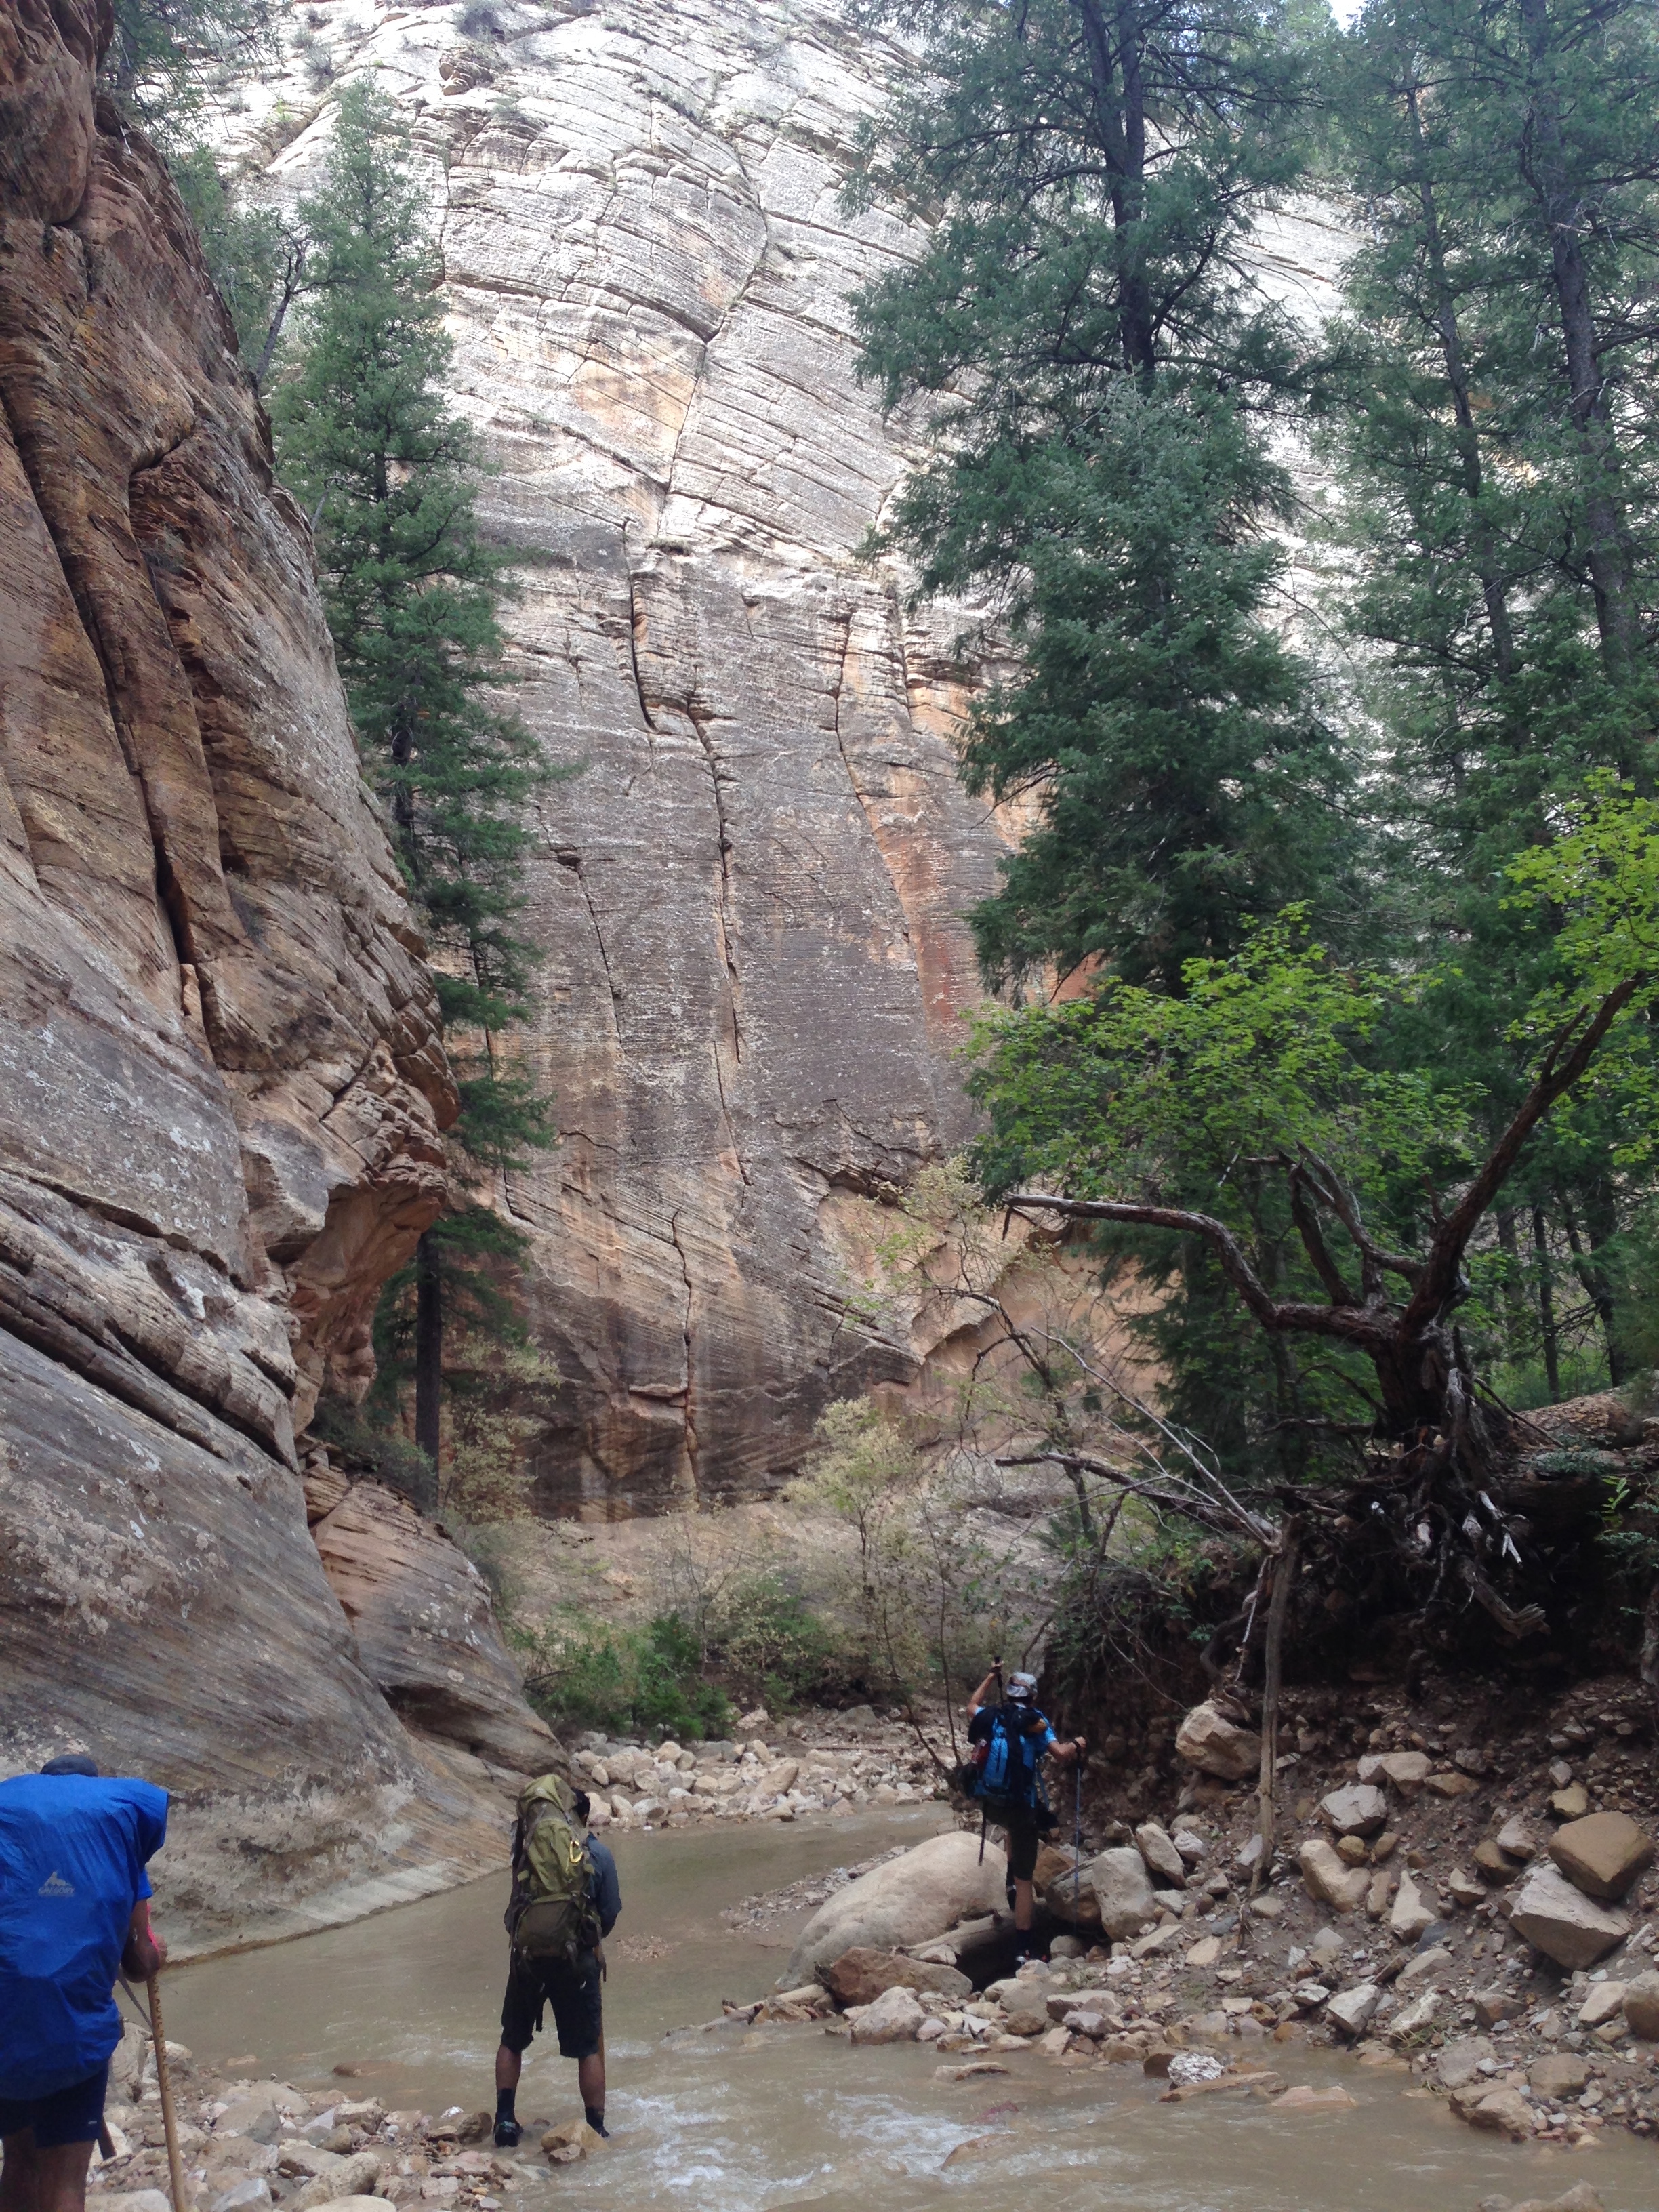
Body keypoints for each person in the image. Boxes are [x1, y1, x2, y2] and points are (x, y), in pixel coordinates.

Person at [1, 1755, 169, 2212]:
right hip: (71, 2026)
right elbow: (139, 1959)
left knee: (19, 2161)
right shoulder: (116, 1836)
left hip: (4, 2017)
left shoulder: (9, 1820)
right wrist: (154, 1955)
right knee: (64, 2180)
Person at [493, 1783, 620, 2149]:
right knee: (588, 2047)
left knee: (512, 2040)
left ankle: (505, 2121)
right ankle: (595, 2128)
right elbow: (610, 1911)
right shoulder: (596, 1852)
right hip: (576, 1960)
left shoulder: (527, 1850)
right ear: (583, 1816)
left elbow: (514, 1909)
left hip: (528, 1958)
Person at [965, 1669, 1084, 1961]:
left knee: (1012, 1828)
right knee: (1025, 1881)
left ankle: (1009, 1878)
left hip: (990, 1802)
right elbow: (1060, 1754)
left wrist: (990, 1676)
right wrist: (1077, 1744)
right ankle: (1023, 1951)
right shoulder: (1036, 1721)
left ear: (1009, 1694)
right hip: (1020, 1806)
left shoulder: (992, 1715)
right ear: (1033, 1696)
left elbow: (971, 1705)